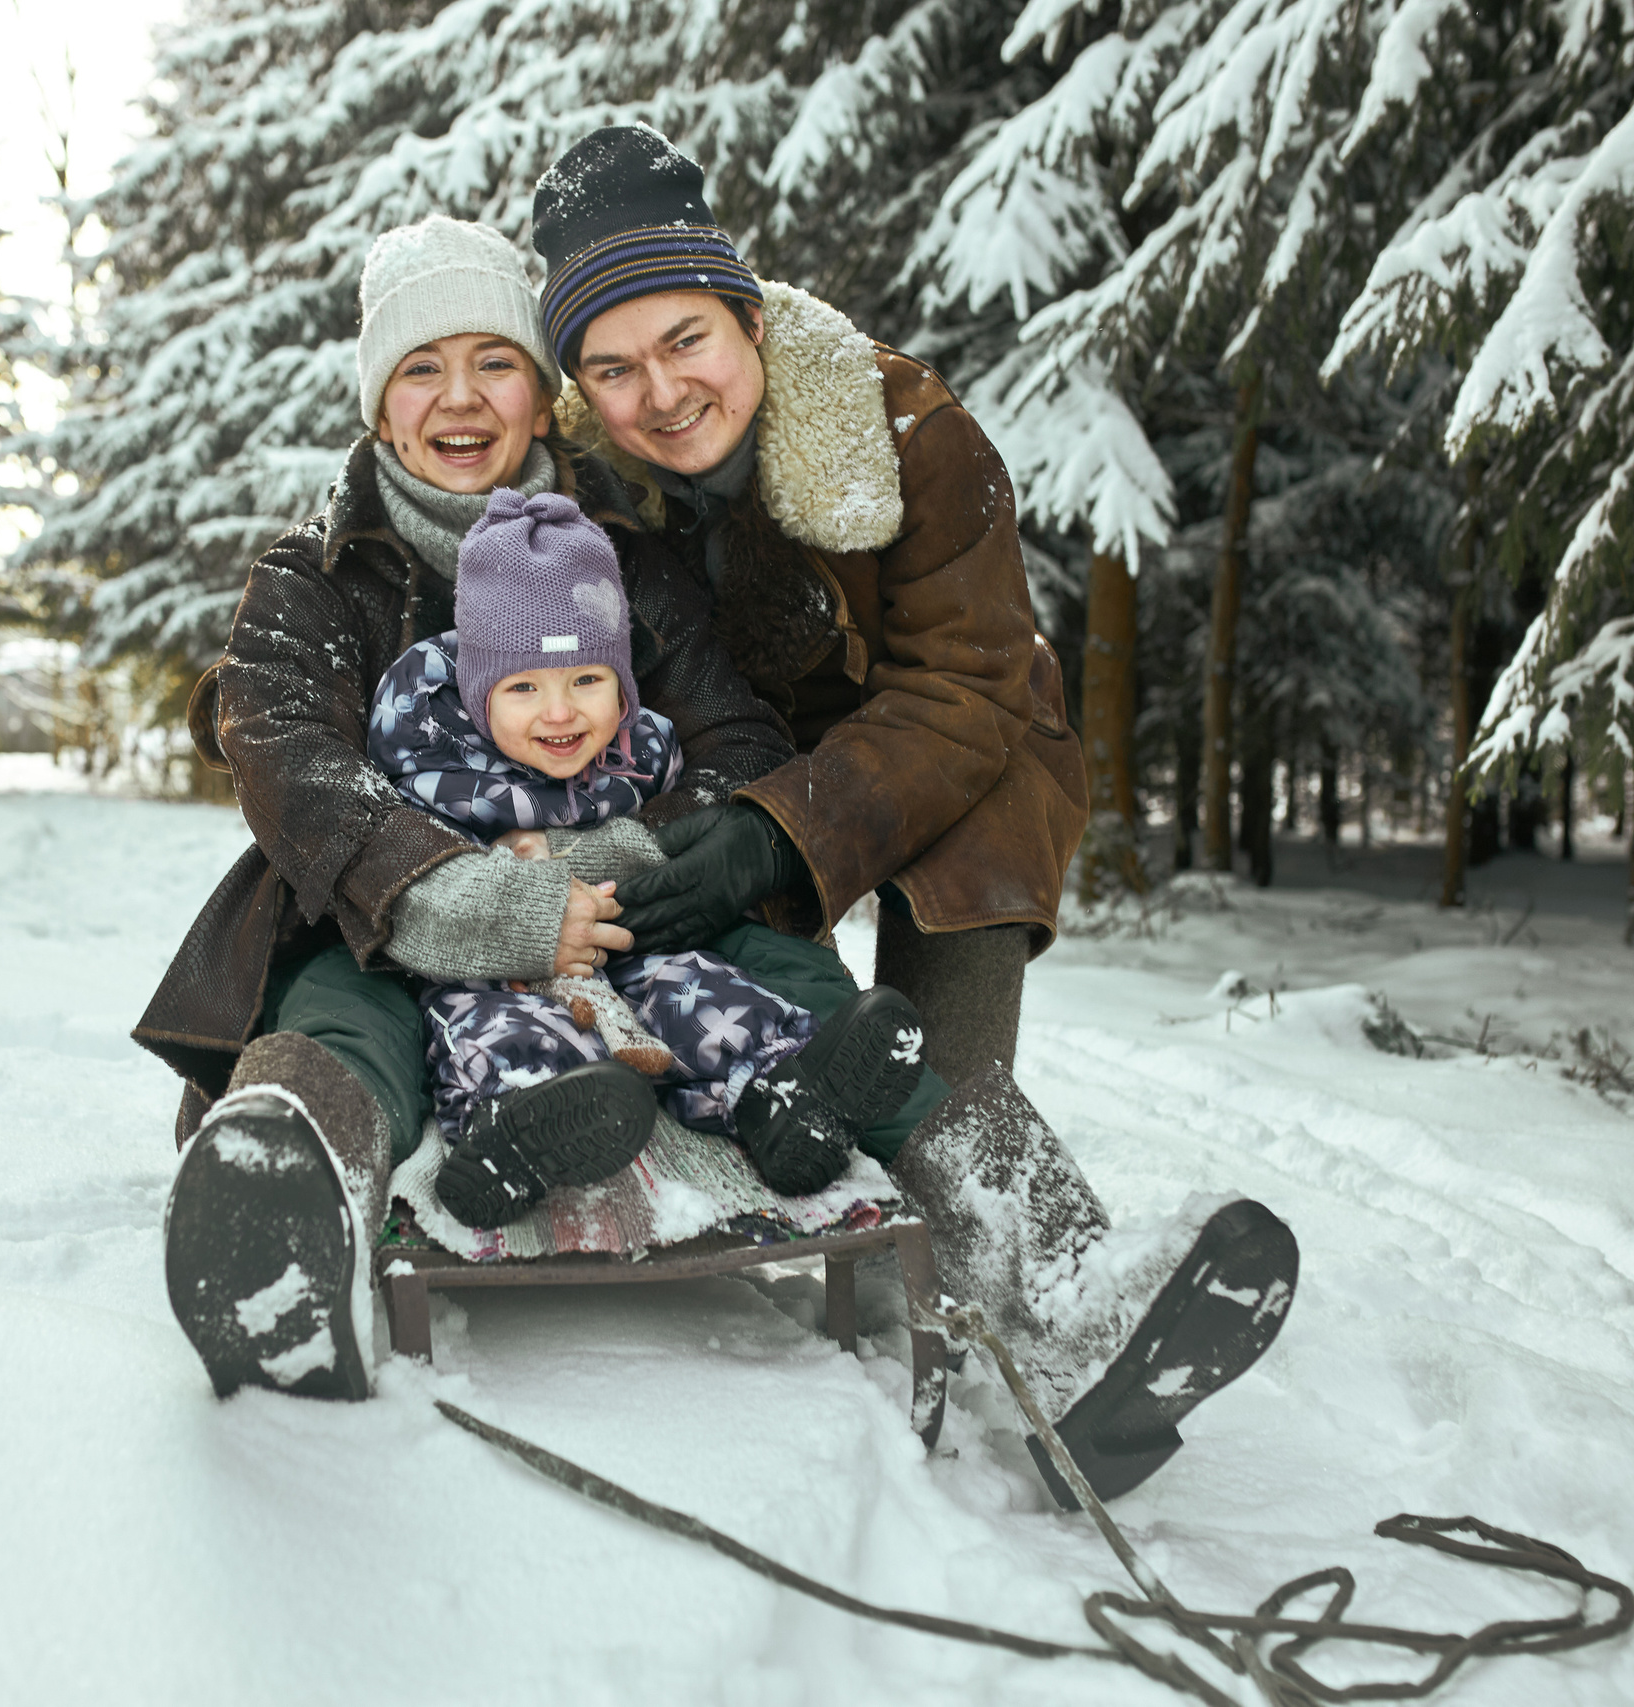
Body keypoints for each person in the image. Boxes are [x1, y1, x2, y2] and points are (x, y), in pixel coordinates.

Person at [528, 124, 1300, 1502]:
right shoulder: (583, 484)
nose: (662, 391)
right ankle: (904, 1252)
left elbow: (968, 681)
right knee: (823, 1048)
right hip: (730, 766)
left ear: (748, 317)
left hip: (951, 757)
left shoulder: (913, 433)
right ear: (579, 385)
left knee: (945, 1054)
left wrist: (788, 827)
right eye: (613, 365)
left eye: (688, 339)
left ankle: (1076, 1299)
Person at [138, 215, 869, 1403]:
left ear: (539, 395)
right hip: (388, 910)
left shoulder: (628, 557)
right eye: (421, 369)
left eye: (493, 363)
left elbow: (735, 741)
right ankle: (284, 1201)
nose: (459, 397)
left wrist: (607, 856)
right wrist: (458, 895)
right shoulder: (313, 573)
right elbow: (284, 754)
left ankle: (986, 1198)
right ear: (381, 409)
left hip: (624, 895)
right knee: (343, 1008)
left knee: (761, 952)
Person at [368, 486, 926, 1229]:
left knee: (700, 987)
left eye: (587, 681)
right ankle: (517, 1130)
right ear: (478, 693)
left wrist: (602, 857)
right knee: (496, 1027)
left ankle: (784, 1099)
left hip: (626, 946)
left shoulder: (643, 754)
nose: (560, 712)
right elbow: (411, 868)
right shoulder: (434, 761)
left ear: (622, 684)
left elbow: (672, 834)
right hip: (494, 962)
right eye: (524, 687)